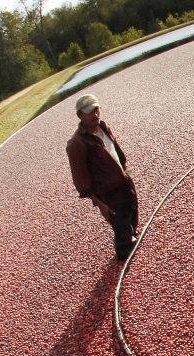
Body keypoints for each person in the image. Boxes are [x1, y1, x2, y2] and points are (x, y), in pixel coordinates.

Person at [66, 94, 138, 261]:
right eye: (89, 112)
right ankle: (124, 263)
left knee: (132, 219)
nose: (95, 114)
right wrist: (100, 204)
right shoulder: (77, 143)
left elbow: (116, 154)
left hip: (125, 184)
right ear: (80, 115)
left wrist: (126, 171)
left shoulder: (103, 127)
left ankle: (134, 251)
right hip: (110, 195)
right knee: (122, 234)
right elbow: (80, 180)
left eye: (96, 109)